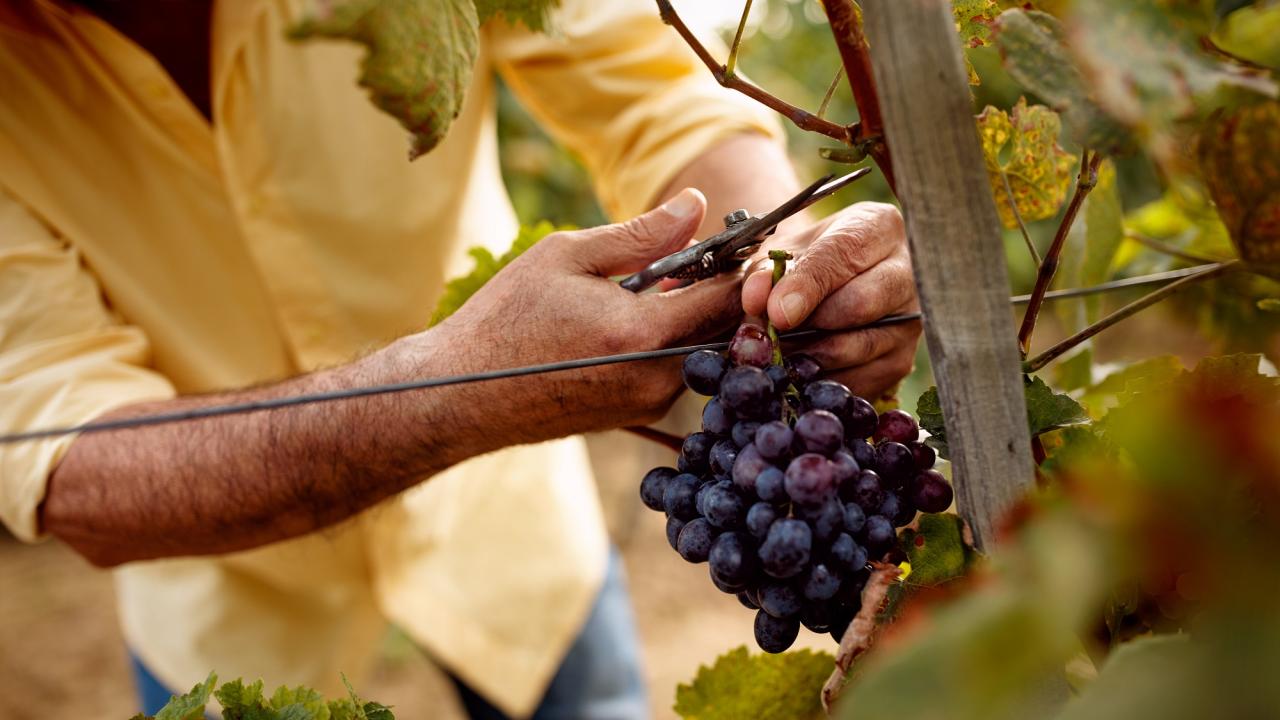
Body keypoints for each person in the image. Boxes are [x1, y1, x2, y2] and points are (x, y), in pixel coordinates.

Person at [0, 0, 920, 717]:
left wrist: (784, 259)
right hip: (226, 590)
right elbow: (67, 461)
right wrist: (464, 386)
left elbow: (659, 102)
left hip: (510, 549)